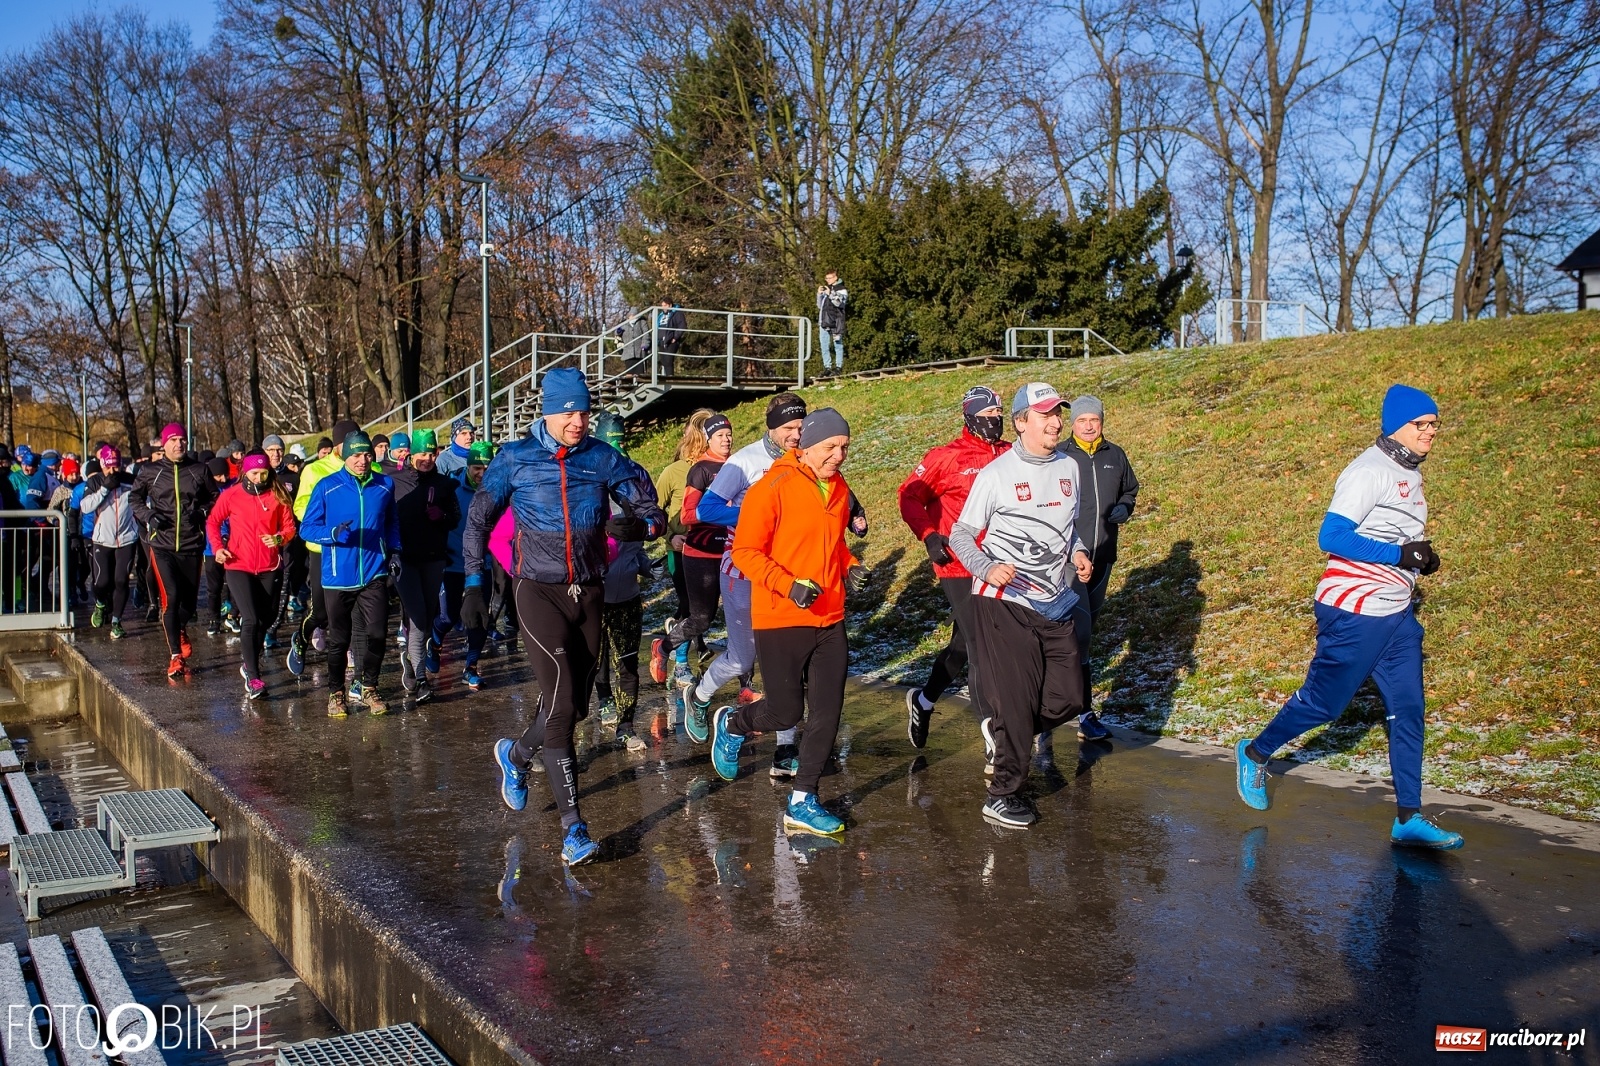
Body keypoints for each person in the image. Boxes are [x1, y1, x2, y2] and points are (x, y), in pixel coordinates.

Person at [1235, 385, 1461, 850]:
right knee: (1324, 705)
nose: (1431, 433)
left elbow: (1398, 533)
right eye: (1423, 424)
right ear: (1397, 425)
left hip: (1396, 614)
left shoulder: (1409, 472)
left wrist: (1418, 558)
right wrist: (1400, 553)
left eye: (1435, 424)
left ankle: (1408, 817)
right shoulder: (1368, 471)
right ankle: (1256, 752)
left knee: (1409, 709)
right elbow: (1332, 537)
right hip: (1353, 609)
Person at [475, 368, 665, 867]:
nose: (578, 421)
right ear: (548, 411)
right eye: (568, 412)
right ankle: (573, 829)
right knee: (561, 703)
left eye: (584, 412)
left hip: (590, 592)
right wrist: (475, 580)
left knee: (575, 706)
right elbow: (479, 517)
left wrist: (640, 525)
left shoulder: (601, 457)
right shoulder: (514, 458)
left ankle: (516, 755)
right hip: (536, 591)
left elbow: (652, 510)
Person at [709, 408, 868, 837]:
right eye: (831, 447)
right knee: (785, 711)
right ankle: (732, 723)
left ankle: (803, 800)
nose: (839, 455)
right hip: (781, 615)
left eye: (844, 447)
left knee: (827, 712)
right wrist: (788, 585)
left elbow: (832, 546)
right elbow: (745, 551)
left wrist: (849, 565)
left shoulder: (837, 488)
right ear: (807, 445)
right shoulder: (771, 486)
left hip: (830, 616)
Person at [947, 383, 1094, 828]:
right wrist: (988, 567)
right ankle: (1002, 794)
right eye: (1045, 414)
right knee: (1017, 701)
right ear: (1021, 423)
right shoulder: (998, 473)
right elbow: (960, 535)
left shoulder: (1070, 466)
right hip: (1003, 602)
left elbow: (1069, 529)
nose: (1055, 422)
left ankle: (1005, 731)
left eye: (1057, 414)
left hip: (1054, 601)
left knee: (1068, 698)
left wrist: (1079, 553)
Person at [680, 393, 807, 774]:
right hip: (743, 571)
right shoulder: (744, 462)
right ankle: (699, 695)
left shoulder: (806, 456)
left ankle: (786, 748)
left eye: (801, 427)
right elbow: (707, 509)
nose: (797, 436)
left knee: (785, 661)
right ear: (772, 428)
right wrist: (755, 510)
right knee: (742, 658)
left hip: (787, 575)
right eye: (789, 429)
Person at [899, 386, 1010, 748]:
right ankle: (995, 735)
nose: (995, 423)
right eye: (987, 417)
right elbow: (909, 494)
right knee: (982, 646)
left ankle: (924, 699)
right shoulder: (947, 457)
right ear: (970, 418)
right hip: (958, 564)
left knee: (963, 646)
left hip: (1003, 563)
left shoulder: (1012, 454)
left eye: (999, 417)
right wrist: (929, 535)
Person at [1055, 394, 1139, 742]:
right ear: (1073, 423)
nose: (1089, 426)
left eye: (1095, 420)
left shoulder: (1114, 455)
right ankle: (1065, 707)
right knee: (1075, 635)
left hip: (1103, 557)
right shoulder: (1060, 456)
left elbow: (1130, 489)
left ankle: (1081, 713)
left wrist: (1124, 508)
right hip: (1066, 562)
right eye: (1082, 421)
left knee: (1085, 638)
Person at [299, 430, 401, 718]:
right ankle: (335, 693)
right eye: (356, 455)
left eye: (367, 454)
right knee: (339, 640)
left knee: (378, 634)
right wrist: (332, 534)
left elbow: (392, 521)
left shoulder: (385, 485)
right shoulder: (327, 486)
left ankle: (369, 687)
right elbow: (306, 528)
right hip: (337, 575)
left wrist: (395, 550)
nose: (362, 460)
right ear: (345, 456)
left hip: (373, 572)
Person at [649, 413, 733, 688]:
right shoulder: (680, 471)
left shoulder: (736, 467)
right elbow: (658, 510)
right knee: (695, 614)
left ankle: (746, 686)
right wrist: (669, 536)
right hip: (688, 551)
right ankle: (675, 658)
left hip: (731, 551)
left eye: (728, 434)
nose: (726, 439)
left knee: (740, 619)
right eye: (719, 435)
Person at [131, 423, 218, 680]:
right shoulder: (150, 471)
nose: (179, 444)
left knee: (189, 605)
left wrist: (201, 512)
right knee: (171, 597)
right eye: (174, 440)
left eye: (182, 439)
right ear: (164, 444)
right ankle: (175, 658)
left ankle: (180, 628)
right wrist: (149, 516)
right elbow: (134, 499)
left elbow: (214, 498)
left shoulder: (199, 470)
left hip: (192, 544)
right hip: (162, 544)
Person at [207, 451, 297, 700]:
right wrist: (218, 548)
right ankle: (255, 676)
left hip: (269, 566)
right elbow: (213, 522)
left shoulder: (277, 494)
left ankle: (249, 665)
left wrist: (279, 538)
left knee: (265, 620)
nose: (259, 478)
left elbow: (290, 527)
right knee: (250, 619)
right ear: (245, 473)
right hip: (238, 565)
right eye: (254, 473)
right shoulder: (232, 495)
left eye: (263, 473)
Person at [390, 429, 461, 704]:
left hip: (433, 558)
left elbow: (455, 518)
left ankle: (411, 658)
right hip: (404, 560)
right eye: (423, 453)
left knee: (428, 616)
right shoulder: (394, 482)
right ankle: (421, 679)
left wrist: (441, 515)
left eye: (432, 454)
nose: (427, 459)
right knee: (418, 616)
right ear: (411, 454)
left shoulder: (444, 484)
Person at [289, 419, 361, 678]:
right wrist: (328, 526)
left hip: (353, 550)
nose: (356, 450)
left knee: (352, 606)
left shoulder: (365, 466)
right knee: (320, 611)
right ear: (337, 445)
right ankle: (300, 638)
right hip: (322, 550)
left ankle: (348, 648)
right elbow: (300, 508)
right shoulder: (314, 470)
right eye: (349, 445)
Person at [436, 440, 495, 690]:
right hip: (453, 561)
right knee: (449, 615)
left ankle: (470, 667)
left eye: (486, 469)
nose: (481, 474)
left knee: (479, 617)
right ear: (467, 467)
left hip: (483, 563)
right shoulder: (451, 488)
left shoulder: (497, 490)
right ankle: (435, 640)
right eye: (476, 469)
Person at [652, 409, 715, 624]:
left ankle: (690, 643)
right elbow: (654, 510)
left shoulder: (728, 468)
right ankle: (678, 654)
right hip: (681, 549)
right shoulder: (674, 471)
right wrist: (670, 537)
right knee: (689, 603)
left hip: (714, 548)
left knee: (706, 606)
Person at [80, 446, 139, 639]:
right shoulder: (95, 480)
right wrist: (105, 488)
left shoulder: (129, 481)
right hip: (102, 539)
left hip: (126, 538)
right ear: (102, 466)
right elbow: (85, 506)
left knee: (121, 581)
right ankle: (100, 604)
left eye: (116, 467)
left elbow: (140, 502)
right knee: (102, 581)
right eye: (109, 467)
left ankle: (116, 622)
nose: (113, 471)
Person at [202, 456, 235, 637]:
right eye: (219, 476)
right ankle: (214, 620)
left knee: (233, 583)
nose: (223, 479)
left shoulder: (233, 487)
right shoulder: (207, 490)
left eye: (225, 474)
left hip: (233, 542)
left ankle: (233, 615)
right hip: (211, 546)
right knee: (213, 587)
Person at [816, 271, 847, 376]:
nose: (827, 280)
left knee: (838, 345)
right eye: (826, 278)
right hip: (824, 322)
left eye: (829, 278)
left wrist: (830, 294)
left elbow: (839, 303)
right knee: (824, 346)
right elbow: (820, 306)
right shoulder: (827, 290)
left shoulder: (842, 290)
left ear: (835, 278)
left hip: (836, 322)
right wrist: (819, 294)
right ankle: (827, 367)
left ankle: (838, 367)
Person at [654, 299, 687, 378]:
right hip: (661, 341)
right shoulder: (660, 315)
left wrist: (675, 337)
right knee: (664, 361)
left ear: (670, 305)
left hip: (671, 340)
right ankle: (666, 377)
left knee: (669, 360)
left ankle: (670, 378)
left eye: (665, 305)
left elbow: (682, 326)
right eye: (662, 306)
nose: (663, 307)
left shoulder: (677, 313)